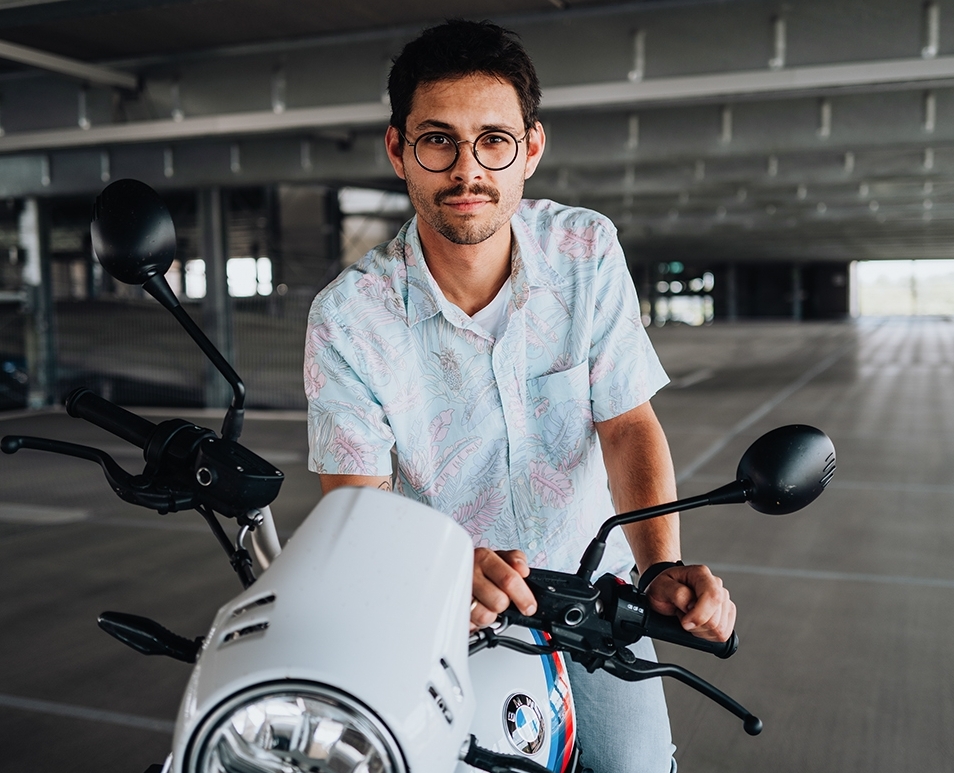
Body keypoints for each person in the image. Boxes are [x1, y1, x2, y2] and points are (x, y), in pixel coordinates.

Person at [304, 19, 735, 773]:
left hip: (594, 592)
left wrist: (659, 568)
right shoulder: (349, 316)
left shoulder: (586, 250)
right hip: (444, 604)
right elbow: (356, 505)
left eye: (493, 141)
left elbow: (627, 423)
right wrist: (441, 572)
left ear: (531, 148)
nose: (467, 170)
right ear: (398, 150)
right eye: (438, 141)